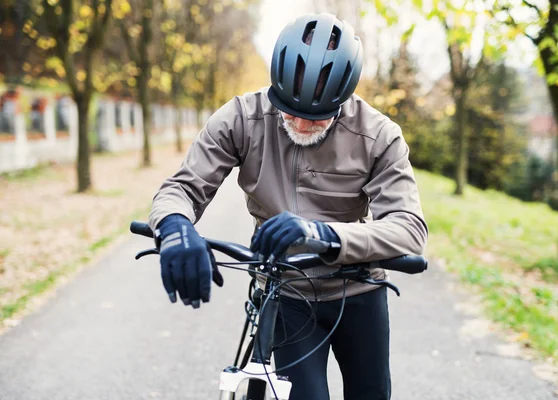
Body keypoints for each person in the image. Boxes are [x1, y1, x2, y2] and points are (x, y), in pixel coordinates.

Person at [148, 13, 428, 400]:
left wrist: (323, 235)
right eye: (290, 108)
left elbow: (409, 229)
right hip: (288, 294)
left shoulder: (378, 135)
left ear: (345, 97)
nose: (302, 122)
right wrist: (176, 227)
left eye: (319, 115)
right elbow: (181, 188)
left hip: (358, 291)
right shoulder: (240, 118)